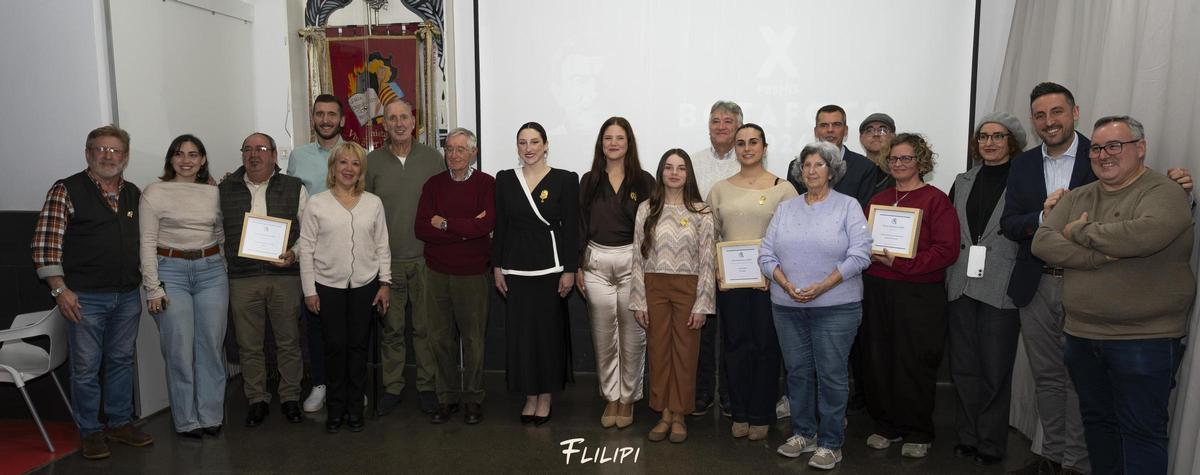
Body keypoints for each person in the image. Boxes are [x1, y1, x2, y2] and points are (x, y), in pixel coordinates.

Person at [1002, 82, 1192, 475]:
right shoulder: (1080, 194)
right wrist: (1102, 252)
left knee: (1141, 432)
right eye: (1099, 149)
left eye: (1115, 146)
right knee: (1098, 425)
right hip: (1084, 333)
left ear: (1140, 147)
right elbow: (1042, 241)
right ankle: (1060, 461)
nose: (1105, 155)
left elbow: (1145, 236)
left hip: (1143, 338)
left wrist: (1078, 233)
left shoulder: (1164, 191)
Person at [31, 125, 154, 459]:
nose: (107, 156)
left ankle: (120, 423)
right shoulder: (66, 190)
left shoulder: (133, 194)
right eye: (100, 149)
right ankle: (90, 431)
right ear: (88, 153)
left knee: (120, 361)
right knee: (85, 368)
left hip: (127, 295)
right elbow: (45, 247)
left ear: (125, 157)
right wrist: (60, 291)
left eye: (115, 151)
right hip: (84, 297)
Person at [762, 142, 871, 469]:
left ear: (831, 170)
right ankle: (804, 434)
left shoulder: (848, 206)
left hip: (836, 307)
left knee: (832, 376)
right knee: (797, 374)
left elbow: (861, 254)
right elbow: (766, 255)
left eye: (819, 165)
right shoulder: (786, 208)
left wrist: (822, 286)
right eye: (806, 165)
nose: (811, 170)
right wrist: (786, 284)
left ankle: (831, 442)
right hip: (787, 305)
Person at [860, 133, 959, 459]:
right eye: (894, 159)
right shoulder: (878, 199)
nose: (899, 164)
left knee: (914, 361)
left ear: (921, 162)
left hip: (919, 293)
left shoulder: (935, 200)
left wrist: (903, 262)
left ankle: (918, 429)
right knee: (879, 358)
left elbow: (947, 251)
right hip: (877, 288)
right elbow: (861, 241)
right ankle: (886, 424)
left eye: (906, 158)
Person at [707, 123, 798, 441]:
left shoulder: (783, 188)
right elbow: (712, 236)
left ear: (764, 146)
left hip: (769, 283)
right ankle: (740, 412)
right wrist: (717, 270)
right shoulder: (720, 188)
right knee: (734, 346)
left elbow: (791, 238)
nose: (747, 148)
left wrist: (778, 275)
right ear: (735, 147)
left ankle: (761, 414)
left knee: (765, 346)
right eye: (741, 142)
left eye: (753, 142)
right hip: (731, 284)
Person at [944, 113, 1026, 466]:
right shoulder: (962, 180)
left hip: (1000, 285)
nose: (990, 143)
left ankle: (991, 443)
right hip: (960, 283)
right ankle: (967, 436)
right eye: (983, 137)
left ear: (1012, 142)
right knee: (963, 367)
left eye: (998, 136)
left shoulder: (1025, 180)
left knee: (995, 369)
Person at [298, 141, 391, 434]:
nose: (349, 169)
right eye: (343, 163)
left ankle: (355, 408)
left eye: (354, 164)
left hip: (365, 285)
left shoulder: (373, 203)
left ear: (361, 169)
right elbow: (307, 250)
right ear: (333, 168)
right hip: (327, 286)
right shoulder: (317, 203)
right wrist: (309, 290)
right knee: (335, 347)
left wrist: (385, 283)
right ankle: (335, 409)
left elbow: (382, 246)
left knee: (358, 347)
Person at [139, 134, 227, 438]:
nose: (186, 160)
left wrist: (224, 269)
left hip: (212, 272)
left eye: (193, 154)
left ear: (202, 160)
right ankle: (187, 420)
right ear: (170, 159)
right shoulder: (154, 192)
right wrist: (153, 287)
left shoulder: (213, 193)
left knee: (211, 347)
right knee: (178, 350)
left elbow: (221, 234)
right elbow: (147, 242)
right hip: (170, 273)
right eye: (179, 154)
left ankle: (211, 416)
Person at [219, 132, 308, 428]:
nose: (253, 155)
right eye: (247, 149)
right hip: (242, 278)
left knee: (289, 340)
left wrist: (294, 255)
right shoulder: (225, 189)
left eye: (260, 149)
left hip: (284, 275)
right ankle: (257, 398)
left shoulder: (294, 187)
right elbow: (217, 232)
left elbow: (308, 232)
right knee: (249, 344)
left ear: (273, 155)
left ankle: (290, 397)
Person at [492, 122, 579, 425]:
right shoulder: (504, 180)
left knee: (547, 336)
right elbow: (501, 226)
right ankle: (530, 394)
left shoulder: (565, 180)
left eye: (534, 142)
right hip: (516, 269)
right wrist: (497, 266)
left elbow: (571, 230)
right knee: (521, 337)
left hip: (550, 269)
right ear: (517, 147)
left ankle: (546, 396)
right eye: (522, 142)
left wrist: (570, 270)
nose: (528, 148)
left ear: (545, 145)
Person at [365, 99, 445, 416]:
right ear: (383, 124)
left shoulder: (432, 159)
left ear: (414, 123)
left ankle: (427, 387)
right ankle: (393, 388)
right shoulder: (371, 162)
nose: (398, 123)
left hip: (426, 259)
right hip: (388, 263)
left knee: (426, 329)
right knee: (392, 330)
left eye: (404, 117)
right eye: (391, 118)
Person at [630, 149, 715, 443]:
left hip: (688, 289)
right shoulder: (646, 208)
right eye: (668, 167)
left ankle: (679, 414)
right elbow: (637, 259)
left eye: (680, 168)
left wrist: (703, 303)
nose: (674, 173)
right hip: (654, 286)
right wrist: (639, 300)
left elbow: (707, 262)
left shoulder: (701, 211)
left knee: (686, 353)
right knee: (658, 351)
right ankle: (663, 413)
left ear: (688, 173)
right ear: (661, 172)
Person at [577, 117, 654, 429]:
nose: (613, 143)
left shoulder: (644, 181)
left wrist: (647, 269)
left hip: (632, 263)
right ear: (601, 143)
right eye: (607, 137)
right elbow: (580, 225)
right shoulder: (588, 180)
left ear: (628, 143)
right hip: (595, 263)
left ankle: (628, 398)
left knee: (633, 334)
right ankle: (611, 396)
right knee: (603, 334)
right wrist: (578, 265)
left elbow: (652, 228)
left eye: (619, 138)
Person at [415, 128, 496, 425]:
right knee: (440, 338)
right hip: (436, 273)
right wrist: (465, 230)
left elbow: (486, 225)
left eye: (461, 149)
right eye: (449, 149)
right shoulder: (433, 185)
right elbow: (421, 228)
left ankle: (473, 399)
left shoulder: (487, 184)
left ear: (473, 152)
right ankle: (446, 398)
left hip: (472, 275)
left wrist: (446, 225)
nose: (454, 155)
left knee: (473, 340)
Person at [286, 93, 345, 413]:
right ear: (313, 119)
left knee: (349, 328)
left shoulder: (356, 154)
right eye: (320, 114)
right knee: (317, 324)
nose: (325, 120)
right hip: (312, 253)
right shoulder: (298, 156)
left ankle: (349, 385)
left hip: (349, 253)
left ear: (342, 120)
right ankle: (320, 383)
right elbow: (288, 200)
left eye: (331, 114)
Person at [690, 100, 742, 417]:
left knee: (735, 332)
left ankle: (730, 394)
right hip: (698, 260)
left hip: (739, 261)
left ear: (738, 126)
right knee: (703, 330)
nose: (721, 126)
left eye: (727, 121)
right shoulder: (691, 163)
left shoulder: (749, 162)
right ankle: (702, 392)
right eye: (715, 121)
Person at [787, 105, 879, 209]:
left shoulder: (865, 167)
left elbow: (863, 212)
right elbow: (793, 208)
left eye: (836, 125)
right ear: (816, 131)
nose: (830, 130)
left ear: (845, 130)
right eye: (824, 125)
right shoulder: (798, 165)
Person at [858, 112, 897, 199]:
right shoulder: (853, 170)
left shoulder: (901, 170)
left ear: (893, 136)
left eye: (882, 130)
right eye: (869, 130)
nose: (876, 135)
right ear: (861, 138)